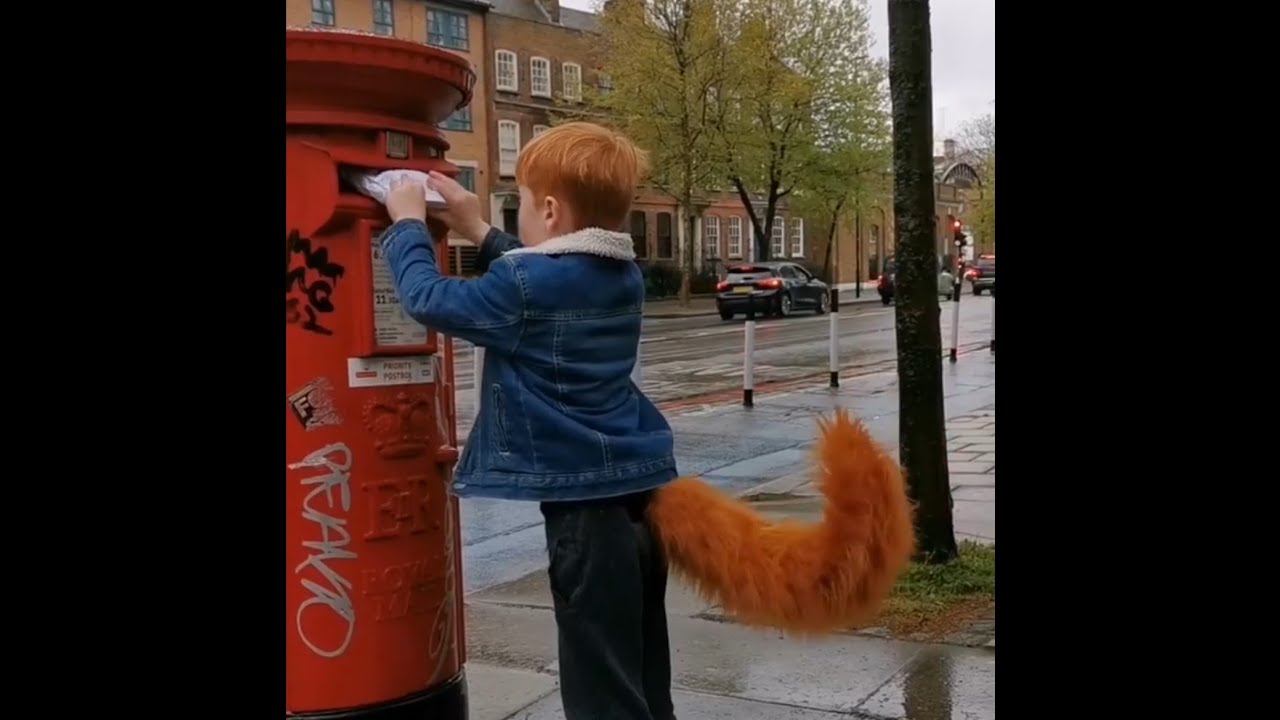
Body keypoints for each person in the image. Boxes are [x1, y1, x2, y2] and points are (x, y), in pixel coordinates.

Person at [380, 122, 677, 720]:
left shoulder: (525, 284)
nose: (516, 218)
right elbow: (547, 275)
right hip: (641, 506)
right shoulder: (624, 276)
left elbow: (429, 299)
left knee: (599, 689)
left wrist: (406, 221)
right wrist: (475, 225)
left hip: (585, 519)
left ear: (549, 209)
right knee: (640, 670)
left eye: (519, 205)